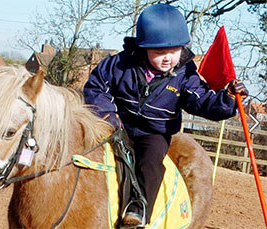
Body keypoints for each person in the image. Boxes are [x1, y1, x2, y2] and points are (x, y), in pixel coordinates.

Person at [83, 3, 248, 227]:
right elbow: (96, 87)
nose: (168, 58)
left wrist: (227, 99)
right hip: (115, 124)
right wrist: (107, 118)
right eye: (159, 52)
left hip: (153, 133)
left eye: (174, 51)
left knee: (151, 163)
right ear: (143, 47)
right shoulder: (119, 65)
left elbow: (202, 101)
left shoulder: (184, 75)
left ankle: (139, 209)